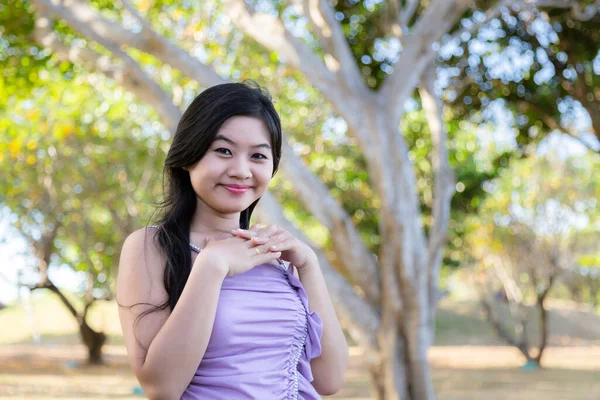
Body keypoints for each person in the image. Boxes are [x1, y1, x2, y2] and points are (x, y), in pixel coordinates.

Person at [117, 81, 349, 399]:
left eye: (258, 156)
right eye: (223, 151)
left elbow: (330, 380)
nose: (241, 170)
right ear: (189, 155)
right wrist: (212, 265)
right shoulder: (151, 246)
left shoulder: (277, 256)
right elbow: (162, 388)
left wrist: (308, 264)